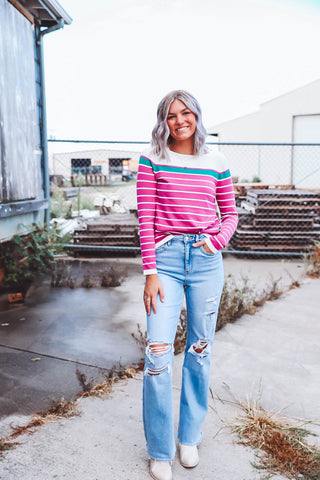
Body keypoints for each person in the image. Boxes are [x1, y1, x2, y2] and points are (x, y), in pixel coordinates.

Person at [136, 90, 238, 480]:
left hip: (207, 262)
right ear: (163, 121)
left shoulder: (217, 161)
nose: (180, 121)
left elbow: (228, 213)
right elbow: (145, 217)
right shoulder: (152, 158)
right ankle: (160, 450)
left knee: (199, 349)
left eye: (186, 112)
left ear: (197, 115)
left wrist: (216, 241)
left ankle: (189, 437)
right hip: (165, 261)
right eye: (171, 115)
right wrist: (150, 273)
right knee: (158, 355)